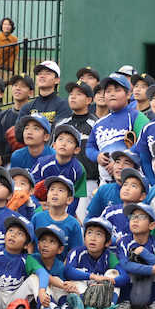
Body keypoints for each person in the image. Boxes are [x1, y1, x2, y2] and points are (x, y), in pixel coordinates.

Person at [64, 218, 129, 309]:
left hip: (103, 295)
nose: (93, 238)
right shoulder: (77, 252)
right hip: (83, 292)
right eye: (89, 233)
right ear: (84, 238)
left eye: (99, 234)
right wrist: (93, 277)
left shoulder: (109, 256)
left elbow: (125, 277)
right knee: (76, 276)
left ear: (107, 242)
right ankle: (87, 307)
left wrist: (107, 282)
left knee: (114, 274)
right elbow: (68, 271)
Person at [86, 74, 147, 184]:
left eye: (117, 90)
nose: (112, 94)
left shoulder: (136, 117)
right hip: (105, 183)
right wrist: (97, 156)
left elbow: (144, 144)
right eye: (108, 91)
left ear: (128, 94)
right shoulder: (99, 123)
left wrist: (119, 162)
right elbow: (90, 147)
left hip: (131, 182)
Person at [55, 81, 98, 219]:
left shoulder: (96, 124)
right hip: (61, 181)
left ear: (89, 100)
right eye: (71, 94)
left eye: (79, 94)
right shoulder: (61, 123)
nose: (73, 97)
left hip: (87, 183)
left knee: (81, 223)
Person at [118, 202, 155, 309]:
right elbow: (125, 264)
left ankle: (154, 303)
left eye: (141, 217)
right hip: (131, 287)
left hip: (147, 288)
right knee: (119, 270)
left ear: (152, 225)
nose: (135, 220)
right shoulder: (123, 242)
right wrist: (151, 269)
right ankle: (124, 302)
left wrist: (144, 253)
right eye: (133, 217)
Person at [30, 175, 83, 257]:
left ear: (69, 200)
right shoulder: (37, 218)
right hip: (36, 263)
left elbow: (74, 253)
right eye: (52, 189)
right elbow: (30, 244)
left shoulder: (74, 224)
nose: (55, 193)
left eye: (60, 190)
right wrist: (31, 261)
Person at [30, 224, 73, 309]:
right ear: (38, 244)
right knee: (39, 278)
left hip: (53, 297)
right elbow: (45, 275)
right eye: (43, 240)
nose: (46, 245)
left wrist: (69, 286)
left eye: (52, 241)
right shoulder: (32, 258)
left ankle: (64, 308)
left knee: (63, 285)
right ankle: (52, 307)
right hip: (34, 301)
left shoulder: (60, 266)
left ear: (60, 249)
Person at [0, 75, 34, 167]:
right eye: (15, 85)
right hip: (5, 163)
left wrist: (4, 159)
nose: (18, 88)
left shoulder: (33, 116)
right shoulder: (3, 115)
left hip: (28, 161)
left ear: (31, 93)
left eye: (23, 86)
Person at [18, 61, 72, 126]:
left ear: (57, 80)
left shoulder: (64, 105)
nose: (42, 76)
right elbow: (19, 129)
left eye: (47, 73)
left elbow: (59, 130)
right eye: (40, 73)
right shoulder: (27, 107)